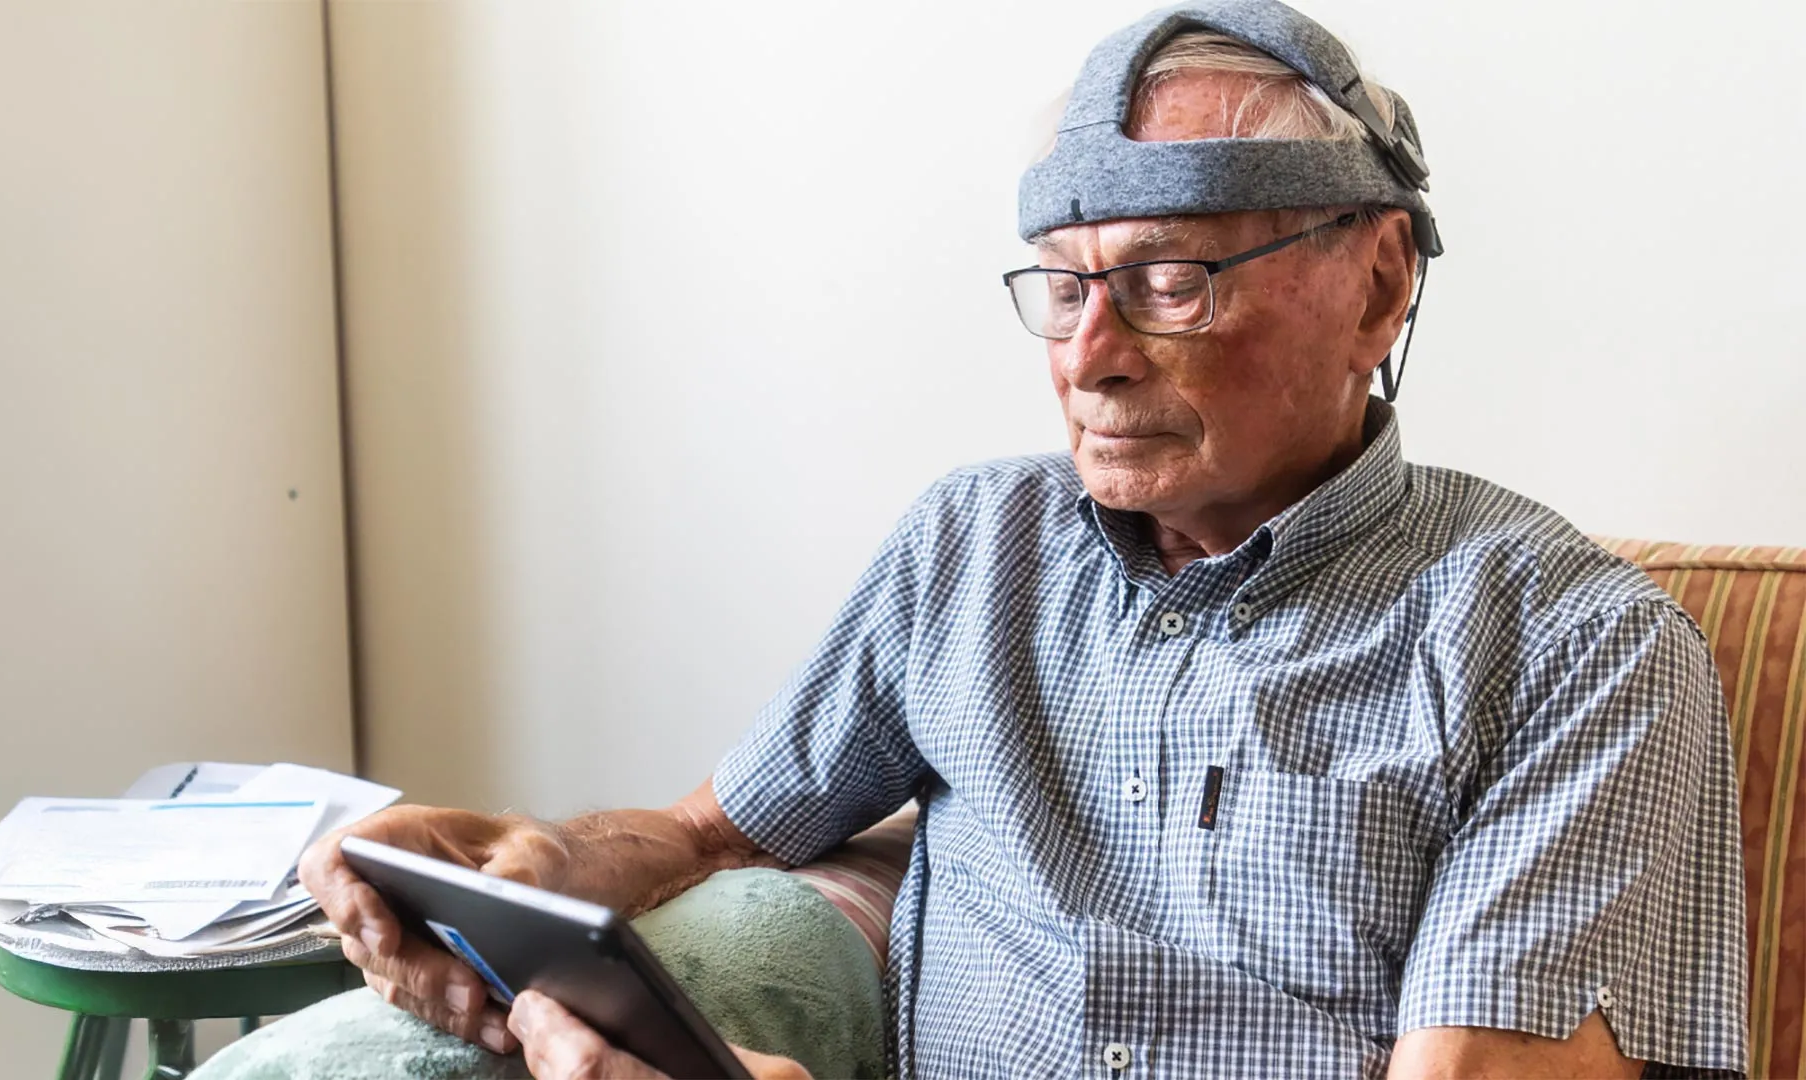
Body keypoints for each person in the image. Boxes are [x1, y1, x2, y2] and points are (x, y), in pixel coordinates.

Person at [300, 2, 1748, 1076]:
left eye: (1171, 281)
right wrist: (536, 861)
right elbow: (708, 833)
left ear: (1377, 288)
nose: (1089, 357)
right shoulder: (971, 549)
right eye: (1063, 287)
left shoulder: (1579, 650)